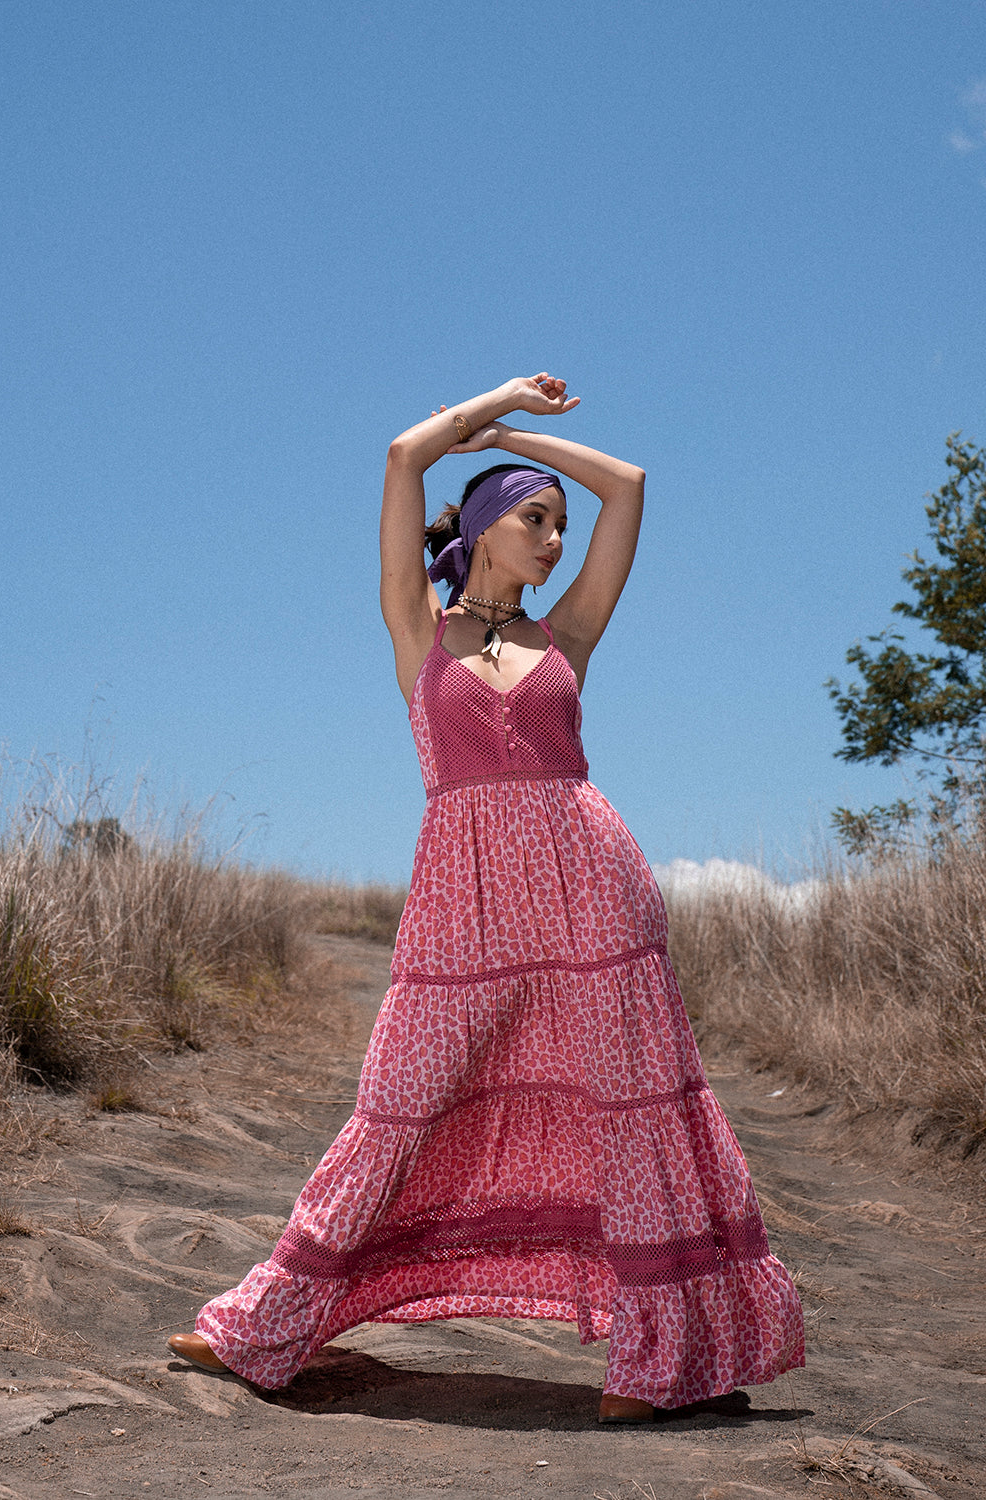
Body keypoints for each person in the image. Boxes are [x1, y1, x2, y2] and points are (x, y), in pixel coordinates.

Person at [168, 373, 804, 1421]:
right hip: (462, 900)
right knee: (402, 1102)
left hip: (592, 887)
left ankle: (661, 1364)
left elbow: (632, 485)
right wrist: (489, 404)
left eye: (558, 524)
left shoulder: (569, 638)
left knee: (629, 1106)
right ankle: (268, 1322)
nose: (555, 537)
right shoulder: (416, 628)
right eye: (534, 519)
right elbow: (401, 458)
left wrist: (523, 442)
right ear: (480, 528)